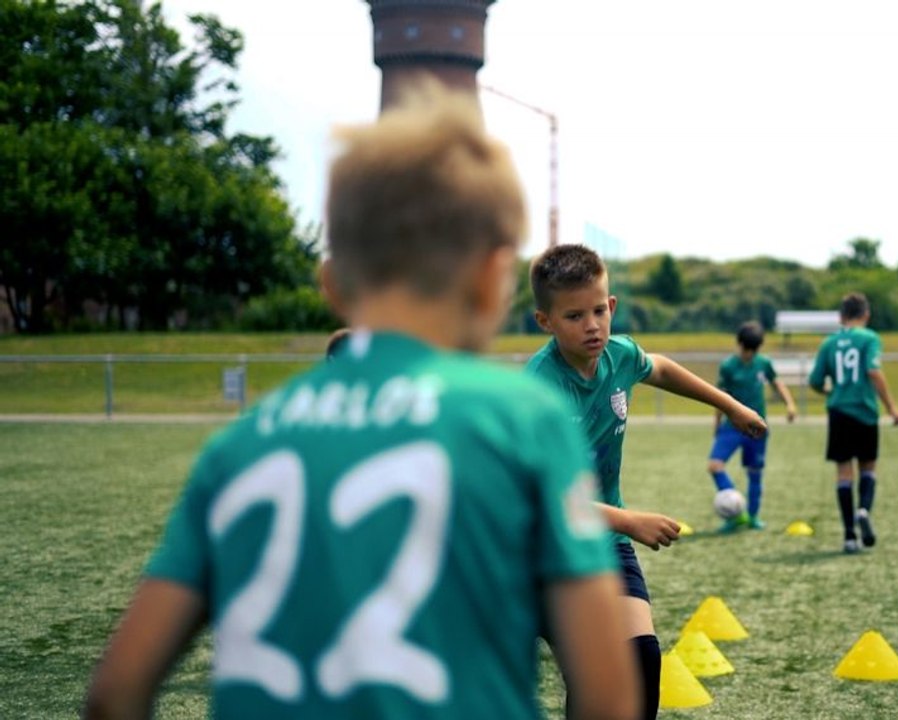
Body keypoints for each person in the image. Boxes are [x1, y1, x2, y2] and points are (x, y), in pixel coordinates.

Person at [84, 86, 638, 720]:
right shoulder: (520, 421)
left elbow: (115, 693)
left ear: (332, 284)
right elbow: (607, 692)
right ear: (494, 280)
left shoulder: (241, 444)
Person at [526, 243, 767, 720]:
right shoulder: (541, 391)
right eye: (574, 316)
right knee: (592, 674)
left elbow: (659, 367)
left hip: (605, 539)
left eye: (599, 310)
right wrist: (630, 520)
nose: (592, 325)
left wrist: (729, 405)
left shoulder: (618, 355)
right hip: (543, 547)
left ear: (611, 306)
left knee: (640, 661)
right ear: (545, 322)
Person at [807, 292, 898, 554]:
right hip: (865, 411)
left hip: (838, 412)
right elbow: (873, 370)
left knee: (843, 473)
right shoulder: (870, 338)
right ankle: (863, 510)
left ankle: (849, 535)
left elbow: (815, 381)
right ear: (866, 315)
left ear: (841, 317)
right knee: (868, 468)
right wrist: (892, 407)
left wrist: (832, 393)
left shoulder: (829, 343)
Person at [707, 320, 798, 532]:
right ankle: (736, 508)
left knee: (755, 472)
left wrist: (790, 405)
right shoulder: (728, 366)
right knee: (714, 465)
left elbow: (777, 384)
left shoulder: (764, 364)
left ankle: (753, 517)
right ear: (739, 344)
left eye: (753, 350)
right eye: (745, 349)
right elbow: (721, 397)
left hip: (757, 428)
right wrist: (717, 424)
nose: (748, 354)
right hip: (732, 427)